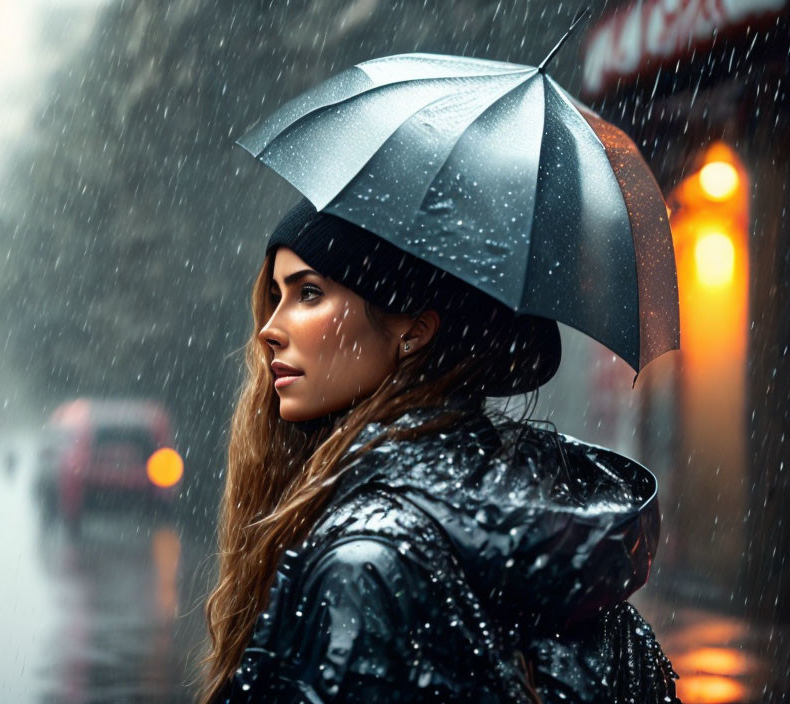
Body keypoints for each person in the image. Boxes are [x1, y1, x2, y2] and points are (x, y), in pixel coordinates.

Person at [197, 198, 680, 703]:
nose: (269, 329)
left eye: (309, 293)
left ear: (413, 329)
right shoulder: (556, 534)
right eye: (275, 295)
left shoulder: (366, 565)